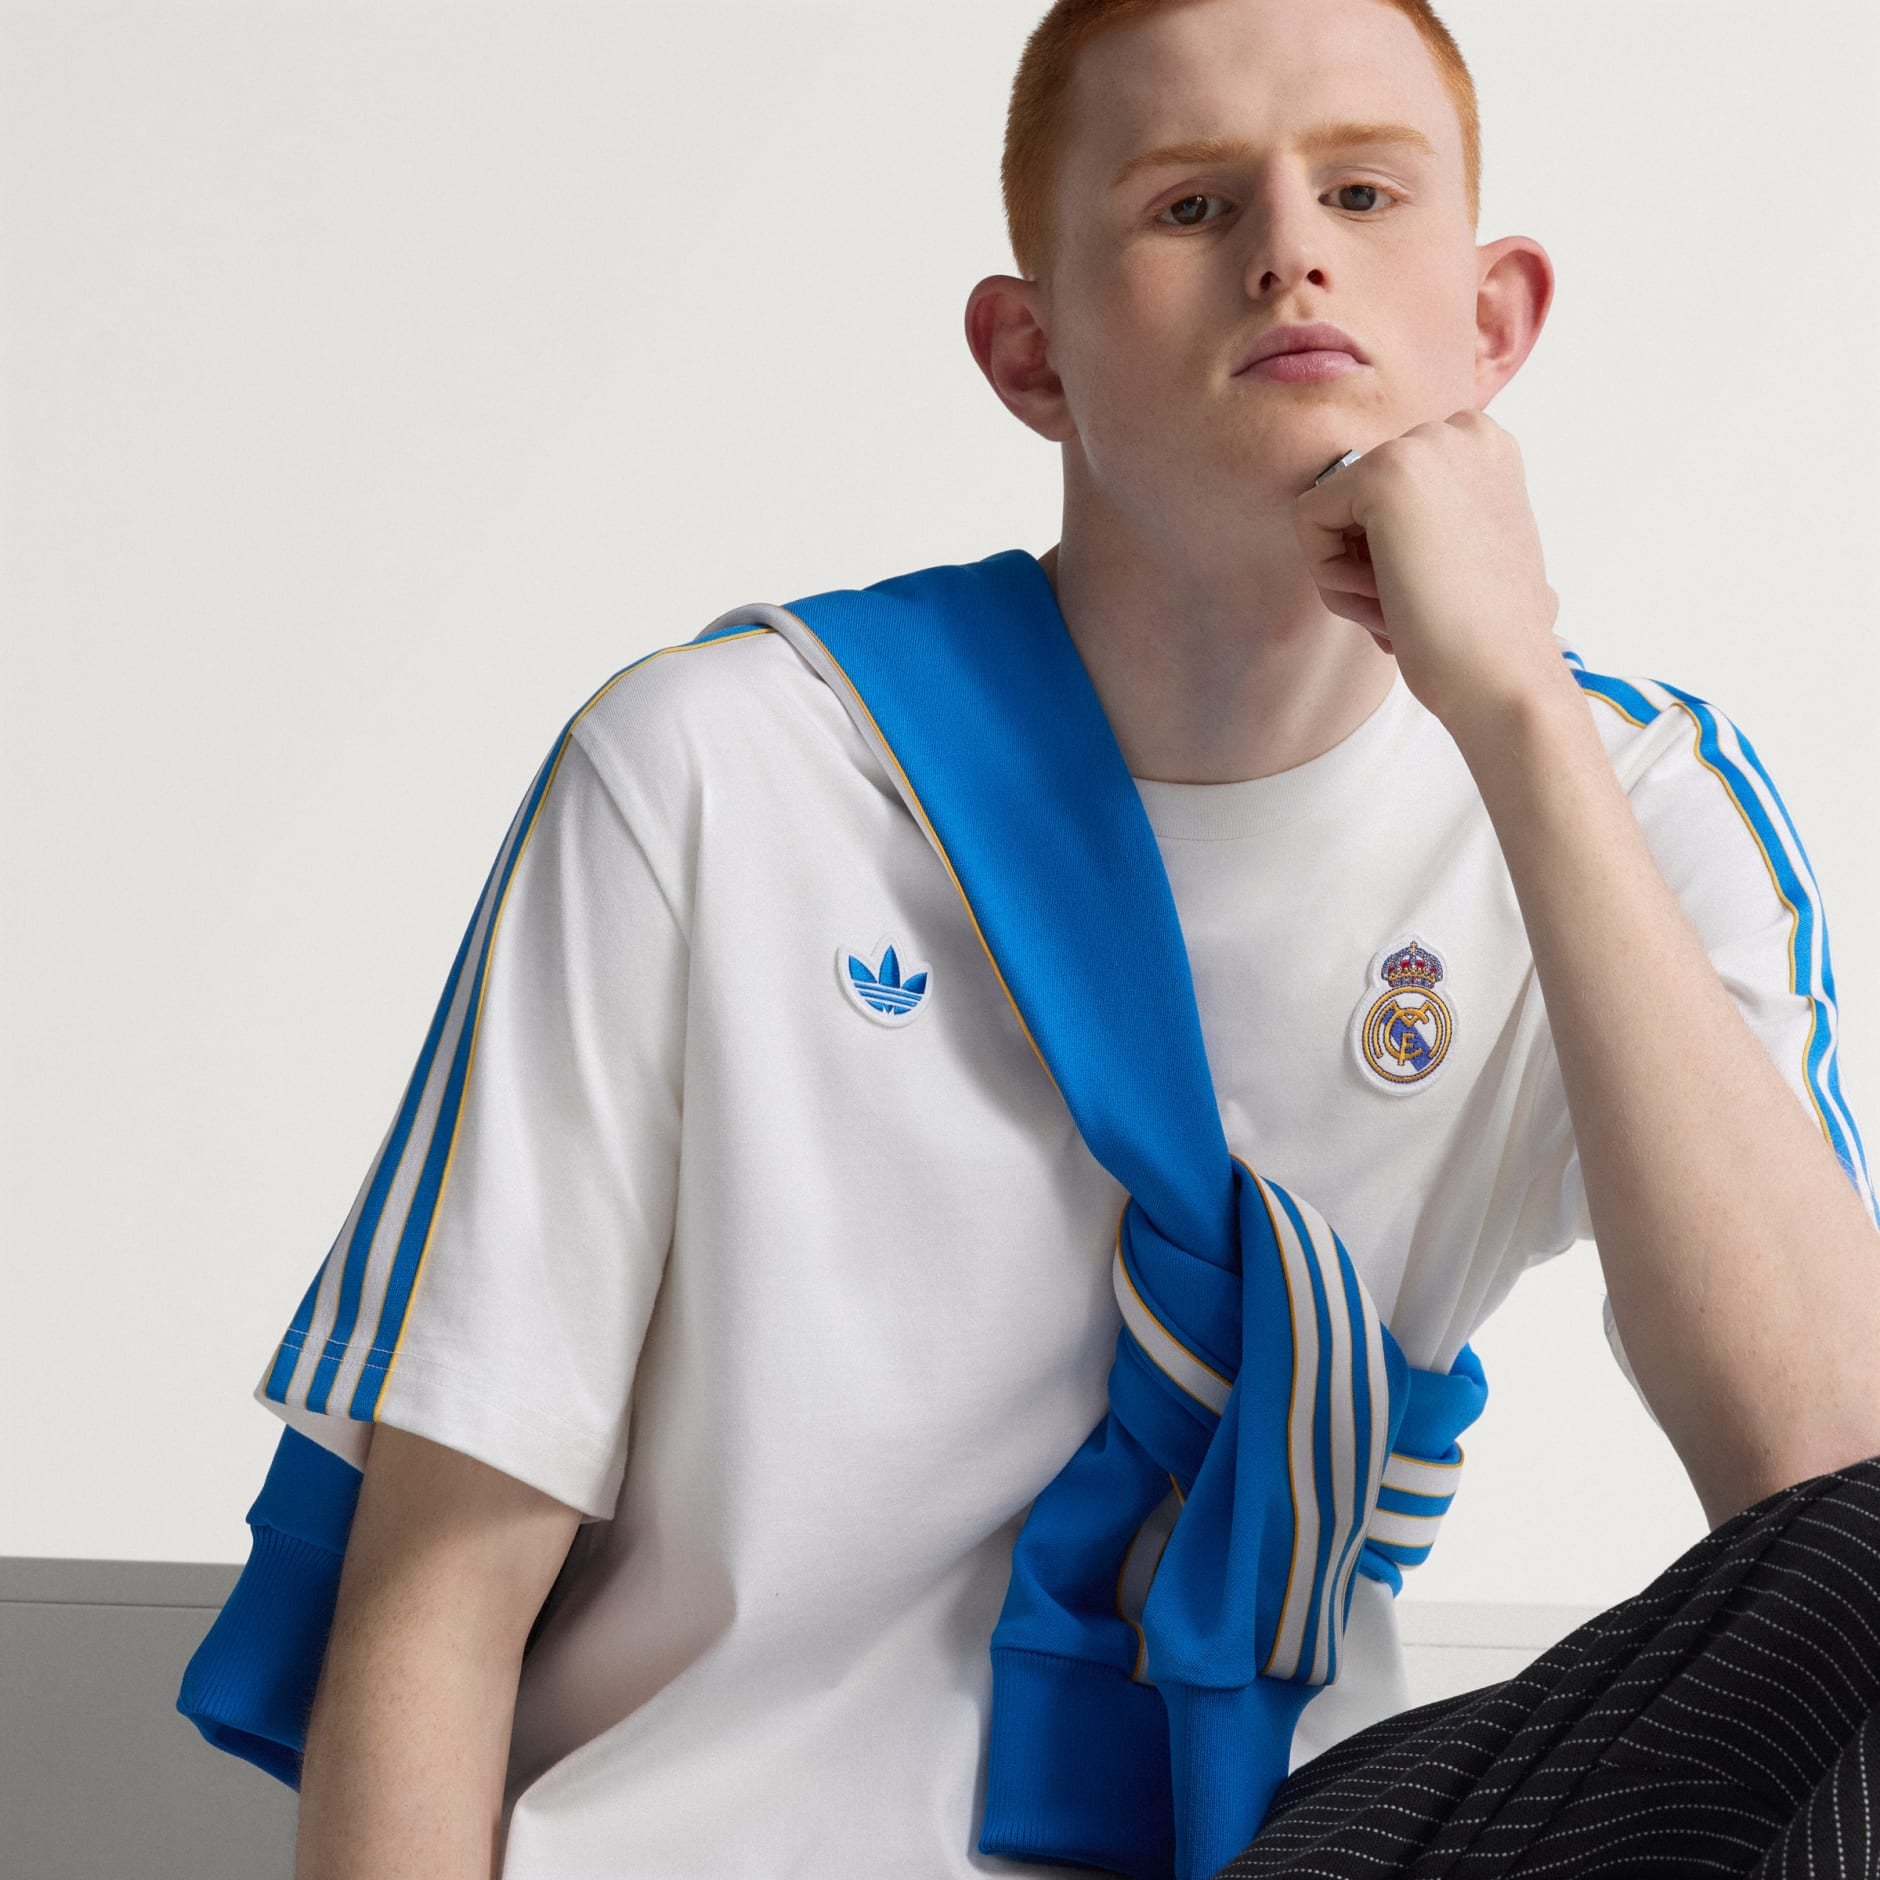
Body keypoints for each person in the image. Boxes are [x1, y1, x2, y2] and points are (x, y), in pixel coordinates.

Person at [186, 0, 1880, 1875]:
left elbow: (1829, 1486)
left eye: (1364, 192)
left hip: (1303, 1845)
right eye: (1188, 206)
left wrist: (1517, 712)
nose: (1290, 250)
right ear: (1030, 351)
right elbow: (433, 1603)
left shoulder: (1626, 795)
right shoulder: (724, 774)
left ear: (1493, 321)